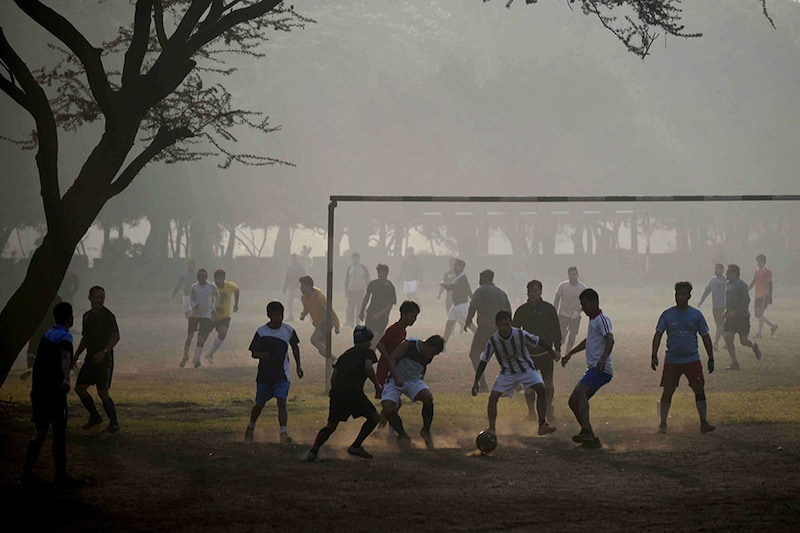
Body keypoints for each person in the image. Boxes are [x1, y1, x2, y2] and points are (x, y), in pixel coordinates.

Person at [471, 310, 558, 438]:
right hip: (507, 373)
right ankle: (492, 428)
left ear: (511, 323)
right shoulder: (493, 341)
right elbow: (484, 361)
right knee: (493, 397)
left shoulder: (520, 334)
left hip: (526, 369)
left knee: (541, 389)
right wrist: (476, 381)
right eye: (502, 325)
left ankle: (542, 424)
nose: (505, 327)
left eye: (507, 324)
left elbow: (538, 340)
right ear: (497, 325)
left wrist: (551, 352)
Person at [307, 326, 382, 461]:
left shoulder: (344, 355)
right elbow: (368, 367)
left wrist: (333, 391)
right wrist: (377, 384)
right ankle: (356, 446)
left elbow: (334, 376)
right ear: (368, 340)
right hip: (354, 393)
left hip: (337, 393)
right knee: (375, 417)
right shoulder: (368, 352)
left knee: (331, 425)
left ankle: (314, 450)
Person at [21, 302, 76, 486]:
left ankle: (26, 472)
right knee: (59, 433)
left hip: (39, 391)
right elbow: (65, 357)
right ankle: (60, 475)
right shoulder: (65, 336)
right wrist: (67, 379)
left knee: (40, 432)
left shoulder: (47, 335)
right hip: (55, 391)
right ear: (69, 317)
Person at [651, 282, 716, 434]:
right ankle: (663, 423)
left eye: (682, 294)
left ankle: (703, 422)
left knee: (699, 388)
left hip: (692, 359)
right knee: (668, 391)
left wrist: (711, 357)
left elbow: (705, 336)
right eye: (677, 294)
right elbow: (658, 335)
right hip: (672, 360)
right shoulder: (667, 314)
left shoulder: (696, 315)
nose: (679, 297)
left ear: (689, 296)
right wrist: (653, 354)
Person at [561, 288, 613, 449]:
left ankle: (585, 431)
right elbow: (588, 341)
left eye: (584, 305)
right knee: (573, 401)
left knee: (581, 392)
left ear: (594, 303)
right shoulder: (593, 320)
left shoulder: (602, 319)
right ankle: (591, 438)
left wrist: (603, 359)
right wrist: (570, 353)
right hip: (593, 368)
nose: (582, 308)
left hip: (601, 369)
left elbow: (610, 340)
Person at [245, 301, 303, 444]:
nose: (279, 318)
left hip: (282, 374)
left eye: (281, 315)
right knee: (259, 404)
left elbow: (295, 347)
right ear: (269, 315)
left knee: (282, 402)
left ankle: (283, 433)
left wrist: (298, 366)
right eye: (275, 315)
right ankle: (251, 427)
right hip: (265, 375)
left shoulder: (288, 330)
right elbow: (253, 353)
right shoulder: (261, 332)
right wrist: (261, 355)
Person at [380, 335, 445, 449]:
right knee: (387, 407)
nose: (432, 356)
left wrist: (420, 382)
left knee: (428, 397)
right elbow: (392, 358)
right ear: (428, 345)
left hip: (413, 381)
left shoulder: (429, 355)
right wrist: (396, 377)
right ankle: (402, 435)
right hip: (395, 380)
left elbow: (423, 367)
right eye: (433, 352)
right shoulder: (409, 345)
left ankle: (426, 431)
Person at [512, 280, 562, 424]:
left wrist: (557, 348)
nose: (532, 294)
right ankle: (531, 413)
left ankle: (546, 409)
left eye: (535, 291)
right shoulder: (522, 310)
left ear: (540, 292)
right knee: (529, 388)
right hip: (528, 355)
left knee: (548, 384)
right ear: (526, 292)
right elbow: (515, 332)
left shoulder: (548, 309)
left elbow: (555, 330)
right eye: (530, 291)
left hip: (545, 354)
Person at [74, 286, 121, 432]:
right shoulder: (86, 317)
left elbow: (116, 336)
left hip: (104, 360)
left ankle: (114, 423)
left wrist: (104, 352)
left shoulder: (108, 316)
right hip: (90, 358)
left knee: (102, 391)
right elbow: (86, 338)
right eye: (97, 297)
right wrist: (76, 355)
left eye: (102, 297)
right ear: (90, 298)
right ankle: (95, 416)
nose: (100, 300)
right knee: (80, 388)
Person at [464, 269, 511, 393]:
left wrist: (468, 321)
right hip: (500, 329)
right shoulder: (501, 293)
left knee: (474, 354)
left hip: (484, 328)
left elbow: (473, 306)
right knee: (503, 356)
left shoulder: (480, 291)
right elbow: (509, 311)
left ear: (483, 279)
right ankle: (515, 384)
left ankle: (483, 384)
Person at [723, 264, 762, 370]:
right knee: (728, 338)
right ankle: (734, 363)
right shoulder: (727, 284)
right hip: (730, 317)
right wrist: (727, 311)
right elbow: (729, 300)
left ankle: (754, 346)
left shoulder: (741, 285)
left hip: (742, 317)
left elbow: (746, 300)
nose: (726, 274)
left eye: (728, 272)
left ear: (735, 273)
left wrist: (735, 311)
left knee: (743, 341)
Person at [181, 268, 219, 368]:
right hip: (194, 315)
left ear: (206, 277)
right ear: (197, 277)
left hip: (206, 316)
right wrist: (194, 306)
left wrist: (214, 308)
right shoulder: (194, 287)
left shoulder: (211, 286)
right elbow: (191, 299)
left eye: (203, 276)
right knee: (190, 335)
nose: (201, 278)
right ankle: (185, 356)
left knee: (201, 337)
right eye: (200, 276)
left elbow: (217, 296)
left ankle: (197, 359)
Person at [20, 294, 62, 381]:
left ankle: (31, 367)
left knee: (33, 348)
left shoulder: (35, 296)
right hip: (48, 328)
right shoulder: (56, 298)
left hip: (38, 327)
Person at [299, 275, 341, 358]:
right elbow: (306, 307)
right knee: (322, 350)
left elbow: (331, 311)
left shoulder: (319, 298)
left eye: (303, 286)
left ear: (309, 286)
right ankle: (333, 360)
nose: (301, 288)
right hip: (318, 324)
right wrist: (303, 314)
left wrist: (337, 326)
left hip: (325, 323)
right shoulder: (304, 297)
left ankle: (333, 359)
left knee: (314, 340)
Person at [205, 269, 240, 364]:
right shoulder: (211, 288)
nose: (219, 281)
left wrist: (236, 304)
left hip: (224, 316)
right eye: (217, 278)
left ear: (224, 278)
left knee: (223, 332)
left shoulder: (229, 286)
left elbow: (236, 289)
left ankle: (210, 353)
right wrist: (214, 309)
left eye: (221, 278)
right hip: (211, 317)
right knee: (203, 336)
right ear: (214, 279)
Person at [554, 266, 587, 353]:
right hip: (563, 314)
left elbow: (585, 303)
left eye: (574, 274)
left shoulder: (582, 288)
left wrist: (578, 311)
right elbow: (557, 299)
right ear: (568, 275)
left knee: (572, 335)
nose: (572, 276)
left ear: (577, 275)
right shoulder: (562, 286)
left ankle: (568, 352)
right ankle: (557, 351)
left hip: (575, 316)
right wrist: (554, 312)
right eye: (570, 275)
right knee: (561, 335)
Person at [440, 258, 474, 345]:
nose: (454, 267)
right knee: (449, 325)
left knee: (470, 325)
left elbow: (451, 287)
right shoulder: (458, 277)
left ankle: (483, 342)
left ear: (461, 267)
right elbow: (469, 292)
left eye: (456, 265)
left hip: (462, 306)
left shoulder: (462, 278)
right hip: (455, 306)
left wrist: (442, 284)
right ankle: (443, 345)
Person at [359, 263, 396, 340]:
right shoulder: (373, 284)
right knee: (368, 337)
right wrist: (362, 310)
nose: (379, 274)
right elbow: (366, 297)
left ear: (386, 273)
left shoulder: (390, 288)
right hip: (371, 313)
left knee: (377, 337)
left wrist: (379, 315)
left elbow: (390, 305)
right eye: (378, 272)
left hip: (382, 317)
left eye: (381, 272)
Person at [697, 263, 727, 349]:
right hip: (715, 306)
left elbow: (728, 293)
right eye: (715, 269)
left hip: (722, 306)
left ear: (722, 270)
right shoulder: (712, 280)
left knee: (720, 325)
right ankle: (728, 343)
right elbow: (707, 291)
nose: (715, 270)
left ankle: (716, 343)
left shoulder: (725, 280)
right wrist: (701, 301)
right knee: (720, 326)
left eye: (717, 269)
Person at [749, 254, 778, 339]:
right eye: (757, 261)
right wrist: (748, 289)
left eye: (760, 261)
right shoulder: (756, 271)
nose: (758, 262)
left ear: (764, 261)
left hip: (764, 295)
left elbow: (770, 284)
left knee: (759, 314)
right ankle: (772, 326)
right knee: (758, 315)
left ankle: (760, 333)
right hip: (757, 295)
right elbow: (754, 281)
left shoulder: (767, 272)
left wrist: (770, 297)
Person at [344, 252, 370, 327]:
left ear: (358, 258)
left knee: (359, 305)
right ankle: (349, 320)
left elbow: (367, 278)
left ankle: (358, 320)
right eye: (353, 258)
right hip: (351, 289)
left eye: (356, 258)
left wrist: (368, 288)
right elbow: (347, 279)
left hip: (360, 289)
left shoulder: (363, 268)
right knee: (350, 305)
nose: (354, 259)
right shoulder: (350, 268)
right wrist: (346, 289)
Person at [283, 254, 306, 321]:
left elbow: (304, 276)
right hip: (290, 287)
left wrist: (303, 286)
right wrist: (285, 287)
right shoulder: (289, 267)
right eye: (292, 258)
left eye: (294, 258)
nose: (293, 259)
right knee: (289, 302)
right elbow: (287, 277)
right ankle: (290, 316)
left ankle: (311, 315)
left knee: (303, 301)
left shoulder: (300, 267)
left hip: (297, 287)